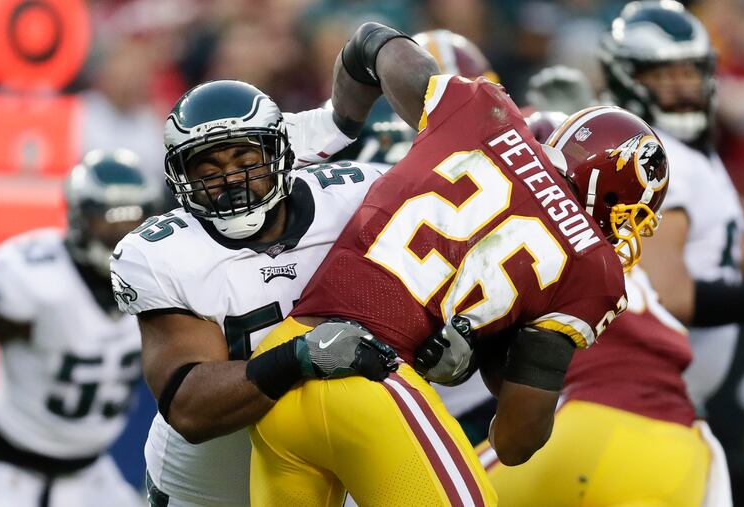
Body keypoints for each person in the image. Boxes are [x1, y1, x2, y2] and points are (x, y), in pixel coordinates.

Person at [248, 22, 669, 506]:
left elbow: (375, 41)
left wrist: (339, 122)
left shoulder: (485, 111)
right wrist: (491, 349)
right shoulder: (593, 267)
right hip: (369, 384)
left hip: (284, 361)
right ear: (611, 196)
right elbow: (515, 441)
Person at [110, 80, 397, 507]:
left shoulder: (354, 197)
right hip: (210, 490)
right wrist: (299, 358)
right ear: (181, 177)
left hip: (333, 462)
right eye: (208, 171)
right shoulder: (161, 254)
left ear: (280, 154)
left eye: (246, 161)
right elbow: (190, 406)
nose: (231, 180)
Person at [475, 111, 733, 507]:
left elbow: (515, 431)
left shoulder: (536, 240)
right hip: (685, 449)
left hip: (585, 426)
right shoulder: (627, 264)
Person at [0, 149, 161, 507]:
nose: (121, 233)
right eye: (107, 219)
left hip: (92, 472)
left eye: (133, 219)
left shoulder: (162, 278)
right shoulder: (36, 277)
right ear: (79, 217)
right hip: (8, 467)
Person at [601, 0, 744, 414]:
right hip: (650, 398)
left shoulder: (688, 151)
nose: (682, 87)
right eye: (663, 75)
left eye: (690, 72)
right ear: (627, 77)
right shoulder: (652, 156)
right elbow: (667, 295)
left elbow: (721, 247)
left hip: (677, 395)